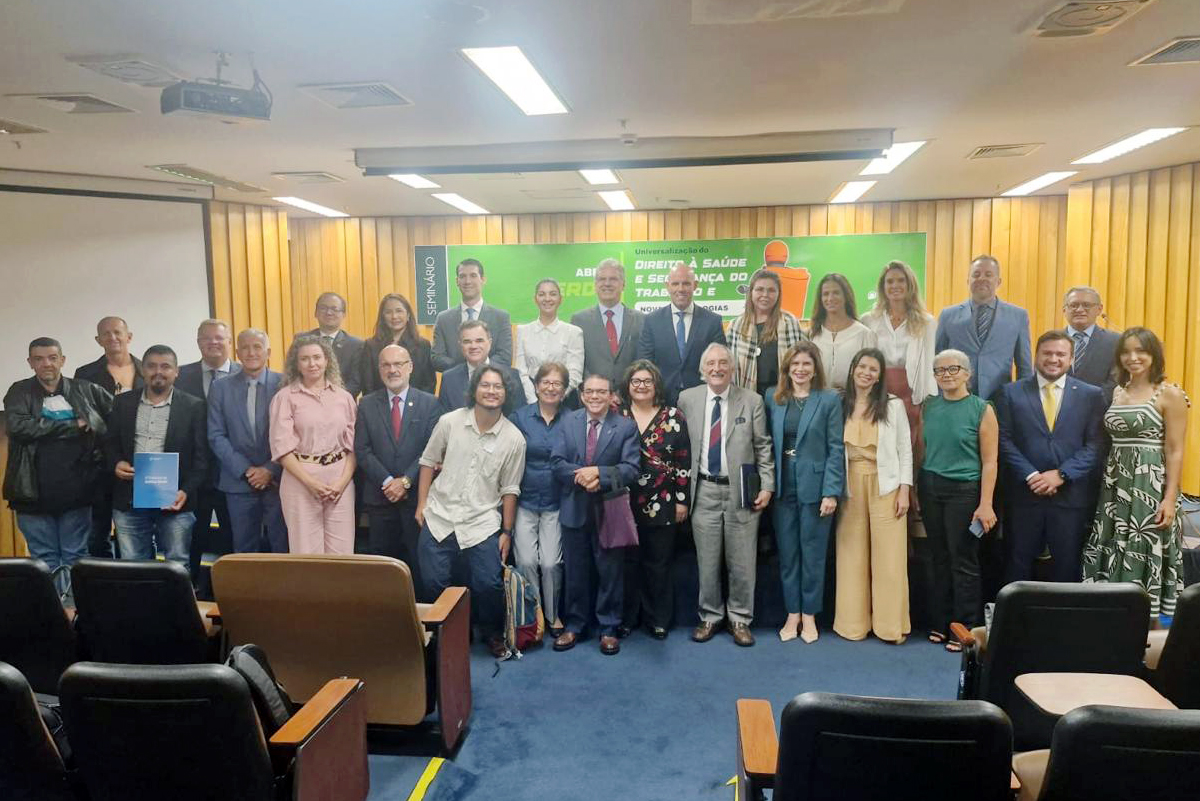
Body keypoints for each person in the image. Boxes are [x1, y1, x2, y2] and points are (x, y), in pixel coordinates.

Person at [416, 366, 526, 659]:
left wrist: (507, 532)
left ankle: (491, 631)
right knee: (433, 582)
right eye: (486, 385)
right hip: (440, 516)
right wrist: (421, 504)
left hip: (482, 522)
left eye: (498, 386)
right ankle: (451, 633)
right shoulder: (449, 422)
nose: (491, 391)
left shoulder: (514, 439)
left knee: (488, 584)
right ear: (475, 389)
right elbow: (428, 461)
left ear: (506, 393)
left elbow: (510, 490)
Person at [1083, 327, 1190, 619]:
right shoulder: (1118, 391)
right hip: (1116, 483)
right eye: (1126, 351)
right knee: (1112, 542)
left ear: (1153, 354)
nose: (1133, 357)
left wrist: (1170, 499)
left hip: (1150, 483)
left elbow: (1175, 450)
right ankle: (1115, 624)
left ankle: (1149, 633)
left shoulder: (1170, 394)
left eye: (1141, 351)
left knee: (1144, 545)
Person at [678, 343, 774, 647]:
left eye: (723, 363)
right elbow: (680, 448)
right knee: (707, 562)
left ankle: (740, 619)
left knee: (742, 561)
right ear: (702, 369)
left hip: (742, 491)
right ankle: (710, 616)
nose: (717, 368)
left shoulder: (752, 400)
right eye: (711, 363)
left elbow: (763, 447)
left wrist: (768, 485)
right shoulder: (687, 399)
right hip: (703, 489)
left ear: (732, 369)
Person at [4, 337, 113, 594]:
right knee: (44, 559)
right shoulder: (19, 392)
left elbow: (116, 416)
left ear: (62, 360)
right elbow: (19, 427)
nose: (47, 364)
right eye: (39, 359)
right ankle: (52, 617)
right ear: (30, 363)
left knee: (76, 557)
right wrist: (72, 426)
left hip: (78, 492)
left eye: (52, 358)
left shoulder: (87, 389)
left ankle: (78, 614)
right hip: (31, 492)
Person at [996, 331, 1105, 583]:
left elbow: (1096, 444)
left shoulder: (1091, 395)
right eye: (1047, 353)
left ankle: (1065, 622)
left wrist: (1061, 474)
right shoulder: (1011, 393)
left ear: (1070, 359)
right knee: (1017, 564)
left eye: (1060, 354)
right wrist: (1032, 475)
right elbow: (1004, 440)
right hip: (1024, 495)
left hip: (1069, 496)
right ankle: (1017, 622)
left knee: (1067, 567)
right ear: (1036, 356)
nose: (1053, 359)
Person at [550, 373, 640, 655]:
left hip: (609, 510)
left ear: (611, 395)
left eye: (601, 391)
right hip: (575, 507)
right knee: (576, 572)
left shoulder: (625, 426)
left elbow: (632, 469)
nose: (595, 397)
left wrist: (598, 475)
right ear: (581, 394)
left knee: (610, 572)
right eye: (590, 391)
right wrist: (581, 476)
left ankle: (609, 628)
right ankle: (575, 625)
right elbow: (556, 462)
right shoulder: (569, 421)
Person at [917, 349, 998, 651]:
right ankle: (940, 621)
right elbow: (922, 451)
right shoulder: (930, 406)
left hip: (964, 490)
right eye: (940, 370)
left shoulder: (981, 408)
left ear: (967, 373)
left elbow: (990, 461)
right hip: (930, 486)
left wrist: (986, 502)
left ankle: (964, 627)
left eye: (953, 369)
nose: (947, 375)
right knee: (937, 557)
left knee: (963, 560)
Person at [764, 342, 844, 644]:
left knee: (813, 554)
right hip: (783, 484)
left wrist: (831, 491)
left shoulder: (828, 399)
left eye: (806, 364)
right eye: (795, 364)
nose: (800, 369)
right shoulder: (773, 397)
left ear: (815, 369)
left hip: (816, 486)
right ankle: (792, 614)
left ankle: (809, 615)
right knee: (788, 554)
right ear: (787, 368)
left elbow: (836, 447)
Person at [103, 345, 208, 566]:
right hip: (129, 498)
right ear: (143, 370)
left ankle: (174, 603)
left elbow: (201, 458)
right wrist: (116, 463)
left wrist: (185, 491)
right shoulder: (123, 403)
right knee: (133, 564)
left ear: (176, 371)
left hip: (175, 499)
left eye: (165, 366)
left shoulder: (193, 406)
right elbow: (109, 443)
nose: (158, 372)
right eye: (151, 366)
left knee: (177, 563)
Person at [834, 348, 912, 644]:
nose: (867, 373)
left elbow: (906, 450)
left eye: (873, 369)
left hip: (887, 484)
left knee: (889, 558)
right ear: (853, 368)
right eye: (862, 367)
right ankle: (852, 625)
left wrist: (905, 490)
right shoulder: (840, 403)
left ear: (880, 376)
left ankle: (890, 626)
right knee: (850, 555)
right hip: (849, 484)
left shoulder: (892, 406)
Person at [355, 344, 443, 596]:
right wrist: (387, 482)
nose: (393, 370)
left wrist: (405, 481)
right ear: (379, 368)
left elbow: (431, 450)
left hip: (417, 499)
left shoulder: (430, 404)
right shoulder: (366, 404)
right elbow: (362, 450)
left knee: (420, 565)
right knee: (383, 569)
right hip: (380, 499)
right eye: (386, 365)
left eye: (399, 364)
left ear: (410, 367)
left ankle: (425, 626)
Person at [620, 359, 690, 640]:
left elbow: (684, 459)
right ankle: (626, 619)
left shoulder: (674, 416)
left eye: (647, 381)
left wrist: (682, 500)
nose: (641, 386)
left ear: (656, 385)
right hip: (622, 503)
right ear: (628, 385)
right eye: (636, 381)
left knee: (658, 564)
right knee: (627, 564)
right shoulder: (618, 415)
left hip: (663, 501)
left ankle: (657, 619)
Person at [269, 335, 357, 554]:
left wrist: (341, 483)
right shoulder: (285, 397)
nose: (312, 364)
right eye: (305, 359)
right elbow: (282, 448)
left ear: (327, 360)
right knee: (306, 552)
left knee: (342, 553)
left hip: (340, 480)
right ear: (296, 364)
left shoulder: (344, 397)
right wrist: (311, 483)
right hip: (301, 480)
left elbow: (354, 447)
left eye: (317, 357)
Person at [206, 329, 286, 554]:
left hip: (279, 480)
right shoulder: (220, 387)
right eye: (245, 348)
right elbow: (216, 435)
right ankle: (247, 591)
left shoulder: (285, 384)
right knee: (243, 548)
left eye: (257, 347)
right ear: (237, 352)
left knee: (283, 546)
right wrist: (247, 470)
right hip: (238, 481)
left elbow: (294, 434)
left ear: (268, 352)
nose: (251, 352)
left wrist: (270, 468)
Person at [177, 319, 241, 587]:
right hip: (193, 472)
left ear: (229, 343)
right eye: (207, 338)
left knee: (233, 535)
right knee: (192, 535)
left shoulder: (246, 373)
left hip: (234, 470)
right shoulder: (180, 375)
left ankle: (231, 588)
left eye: (219, 338)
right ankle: (188, 589)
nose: (213, 343)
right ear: (198, 342)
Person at [509, 362, 570, 636]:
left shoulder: (573, 419)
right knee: (525, 561)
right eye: (546, 382)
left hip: (557, 501)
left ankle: (554, 615)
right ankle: (534, 618)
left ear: (565, 389)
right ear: (535, 386)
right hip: (525, 500)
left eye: (557, 383)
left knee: (551, 563)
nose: (551, 387)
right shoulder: (519, 418)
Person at [74, 315, 142, 558]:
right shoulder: (85, 374)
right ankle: (103, 588)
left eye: (117, 332)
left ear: (129, 336)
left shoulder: (147, 370)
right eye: (106, 334)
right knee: (97, 531)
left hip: (138, 461)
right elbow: (86, 419)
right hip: (98, 462)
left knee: (138, 532)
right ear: (98, 339)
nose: (113, 338)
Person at [935, 255, 1033, 402]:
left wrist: (1025, 401)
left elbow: (1024, 365)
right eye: (976, 274)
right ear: (968, 281)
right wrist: (940, 397)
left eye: (988, 274)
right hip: (956, 399)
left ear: (998, 281)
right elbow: (937, 360)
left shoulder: (1018, 316)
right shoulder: (948, 315)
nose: (982, 278)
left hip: (1000, 399)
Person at [860, 261, 938, 440]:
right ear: (883, 287)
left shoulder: (926, 322)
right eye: (890, 281)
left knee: (909, 445)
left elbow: (928, 365)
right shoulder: (868, 320)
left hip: (912, 394)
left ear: (910, 284)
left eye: (901, 280)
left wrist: (928, 403)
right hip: (878, 392)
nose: (895, 285)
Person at [636, 261, 728, 405]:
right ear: (667, 286)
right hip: (661, 401)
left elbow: (721, 363)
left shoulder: (712, 321)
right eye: (675, 284)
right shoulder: (651, 321)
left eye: (686, 283)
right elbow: (644, 364)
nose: (681, 289)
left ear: (695, 285)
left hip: (702, 401)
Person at [726, 268, 807, 397]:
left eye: (771, 290)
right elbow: (728, 366)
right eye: (759, 289)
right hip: (746, 396)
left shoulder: (790, 322)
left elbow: (805, 358)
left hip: (783, 395)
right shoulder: (736, 325)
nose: (765, 295)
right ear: (751, 292)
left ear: (778, 294)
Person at [570, 258, 645, 390]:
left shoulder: (641, 320)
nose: (607, 283)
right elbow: (577, 366)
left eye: (613, 279)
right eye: (602, 279)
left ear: (623, 285)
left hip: (631, 400)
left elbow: (644, 363)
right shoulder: (579, 321)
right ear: (595, 285)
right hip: (592, 400)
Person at [431, 258, 513, 372]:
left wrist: (479, 371)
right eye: (462, 276)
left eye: (473, 275)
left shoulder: (501, 318)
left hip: (490, 385)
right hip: (455, 386)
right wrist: (465, 370)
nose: (467, 281)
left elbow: (504, 357)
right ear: (457, 281)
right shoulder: (443, 319)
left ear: (483, 279)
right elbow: (437, 358)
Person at [515, 278, 584, 404]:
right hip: (530, 400)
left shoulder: (574, 332)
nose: (547, 299)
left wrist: (555, 397)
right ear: (535, 299)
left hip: (565, 401)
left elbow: (575, 373)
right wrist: (534, 400)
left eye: (552, 294)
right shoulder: (522, 331)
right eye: (542, 294)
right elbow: (521, 372)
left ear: (560, 299)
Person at [438, 320, 523, 416]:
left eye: (479, 341)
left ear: (489, 343)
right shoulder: (449, 378)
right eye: (467, 342)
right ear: (460, 345)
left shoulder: (511, 375)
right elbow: (444, 418)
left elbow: (519, 416)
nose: (473, 346)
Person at [808, 273, 878, 390]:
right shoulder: (814, 334)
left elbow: (873, 375)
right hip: (821, 403)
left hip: (853, 403)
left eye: (836, 293)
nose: (830, 298)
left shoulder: (864, 334)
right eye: (825, 294)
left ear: (846, 296)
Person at [358, 294, 435, 396]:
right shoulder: (371, 346)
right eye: (388, 312)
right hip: (379, 406)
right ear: (382, 317)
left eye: (399, 311)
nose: (394, 316)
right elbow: (368, 385)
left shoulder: (422, 345)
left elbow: (428, 384)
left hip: (417, 406)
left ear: (408, 315)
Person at [1062, 286, 1119, 400]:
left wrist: (1089, 404)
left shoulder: (1115, 341)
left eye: (1086, 305)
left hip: (1099, 410)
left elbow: (1115, 381)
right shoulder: (1051, 340)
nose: (1079, 310)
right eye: (1074, 305)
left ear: (1099, 309)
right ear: (1064, 310)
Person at [304, 292, 364, 397]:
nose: (329, 313)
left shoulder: (356, 345)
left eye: (334, 309)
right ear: (315, 313)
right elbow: (294, 374)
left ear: (344, 314)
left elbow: (355, 383)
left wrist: (333, 399)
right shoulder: (302, 340)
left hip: (341, 405)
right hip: (306, 401)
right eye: (323, 308)